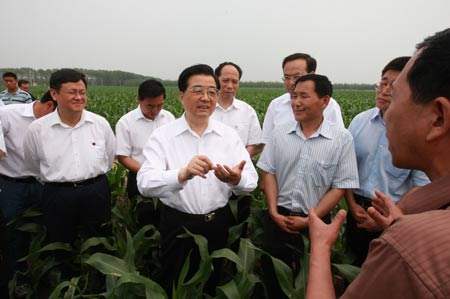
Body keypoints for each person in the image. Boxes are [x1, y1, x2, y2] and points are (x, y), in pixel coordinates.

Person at [306, 28, 450, 299]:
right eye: (381, 85)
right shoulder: (360, 121)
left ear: (438, 118)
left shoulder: (411, 246)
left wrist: (322, 247)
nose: (386, 103)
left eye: (394, 96)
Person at [137, 64, 258, 295]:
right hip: (178, 225)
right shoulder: (163, 136)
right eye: (198, 91)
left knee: (210, 284)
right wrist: (181, 174)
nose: (206, 98)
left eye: (212, 92)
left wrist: (235, 179)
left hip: (218, 223)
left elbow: (251, 180)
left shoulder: (228, 136)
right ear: (181, 96)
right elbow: (144, 183)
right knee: (175, 284)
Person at [257, 74, 358, 299]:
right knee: (274, 279)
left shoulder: (342, 139)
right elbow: (269, 172)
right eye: (294, 96)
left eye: (304, 96)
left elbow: (339, 186)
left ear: (324, 101)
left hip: (318, 223)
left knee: (313, 282)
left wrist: (311, 218)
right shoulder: (280, 132)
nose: (297, 102)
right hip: (278, 219)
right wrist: (273, 211)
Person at [23, 69, 115, 268]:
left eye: (82, 92)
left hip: (95, 191)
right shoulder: (38, 130)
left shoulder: (99, 124)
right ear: (54, 94)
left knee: (101, 241)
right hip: (57, 194)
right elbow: (33, 165)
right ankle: (64, 283)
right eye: (72, 92)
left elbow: (109, 157)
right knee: (59, 244)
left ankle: (98, 282)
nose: (79, 97)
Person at [344, 56, 429, 266]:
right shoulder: (359, 122)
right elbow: (345, 168)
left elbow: (421, 185)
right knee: (351, 268)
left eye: (394, 86)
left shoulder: (417, 132)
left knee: (382, 273)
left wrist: (387, 215)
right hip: (356, 211)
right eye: (383, 83)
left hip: (392, 217)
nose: (384, 90)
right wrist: (352, 205)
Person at [0, 91, 57, 297]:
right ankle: (19, 280)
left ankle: (46, 272)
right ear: (50, 106)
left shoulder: (58, 124)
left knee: (49, 230)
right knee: (15, 234)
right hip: (13, 185)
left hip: (45, 184)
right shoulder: (8, 115)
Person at [115, 79, 175, 227]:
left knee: (168, 220)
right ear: (139, 99)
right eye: (150, 106)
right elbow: (123, 156)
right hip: (139, 176)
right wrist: (148, 173)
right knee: (145, 223)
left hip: (167, 176)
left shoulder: (169, 118)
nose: (155, 111)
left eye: (159, 105)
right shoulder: (126, 123)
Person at [261, 53, 345, 144]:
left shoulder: (329, 105)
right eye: (287, 77)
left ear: (311, 75)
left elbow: (339, 140)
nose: (291, 82)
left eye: (297, 77)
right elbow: (266, 142)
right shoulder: (276, 105)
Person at [212, 62, 262, 158]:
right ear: (216, 80)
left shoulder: (247, 111)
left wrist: (240, 161)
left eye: (235, 82)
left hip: (239, 169)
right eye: (225, 80)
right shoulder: (204, 109)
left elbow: (254, 143)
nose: (230, 86)